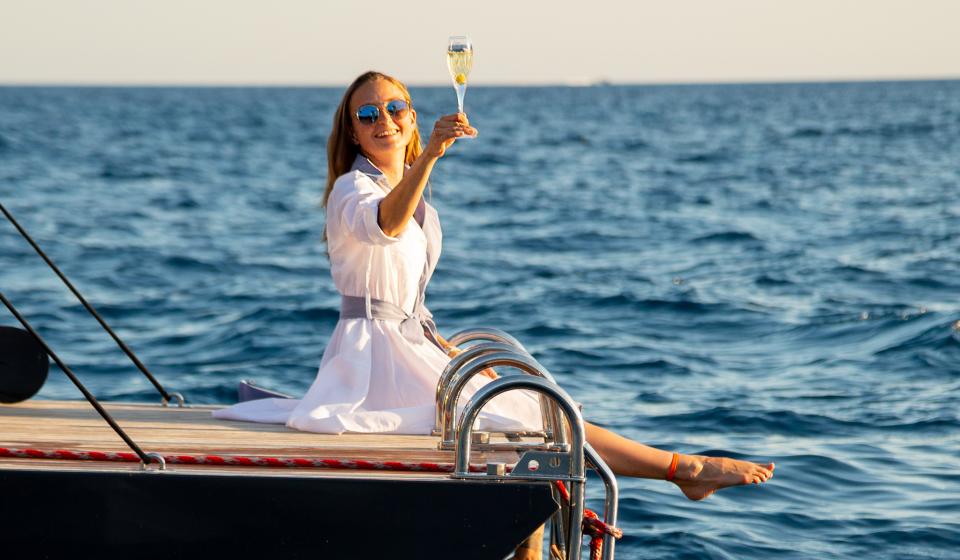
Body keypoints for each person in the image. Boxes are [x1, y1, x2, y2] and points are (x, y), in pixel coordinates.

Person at [214, 70, 774, 507]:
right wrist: (430, 155)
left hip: (408, 346)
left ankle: (679, 471)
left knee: (534, 408)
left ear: (410, 117)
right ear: (353, 131)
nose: (383, 120)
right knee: (526, 419)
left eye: (395, 108)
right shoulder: (351, 188)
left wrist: (443, 350)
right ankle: (683, 469)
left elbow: (408, 294)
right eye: (368, 114)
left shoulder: (410, 191)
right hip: (370, 362)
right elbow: (384, 225)